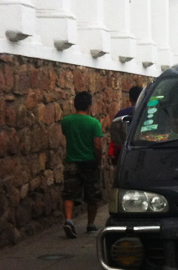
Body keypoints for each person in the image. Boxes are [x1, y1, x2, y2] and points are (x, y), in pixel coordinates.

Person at [61, 91, 104, 238]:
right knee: (93, 195)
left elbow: (67, 135)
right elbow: (97, 146)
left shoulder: (66, 121)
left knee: (69, 194)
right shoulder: (94, 123)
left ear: (74, 105)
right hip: (90, 162)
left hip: (72, 161)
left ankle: (69, 220)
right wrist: (99, 162)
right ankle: (90, 224)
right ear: (89, 106)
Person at [109, 85, 142, 164]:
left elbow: (115, 136)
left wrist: (112, 153)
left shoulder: (121, 114)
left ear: (129, 99)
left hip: (123, 153)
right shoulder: (148, 113)